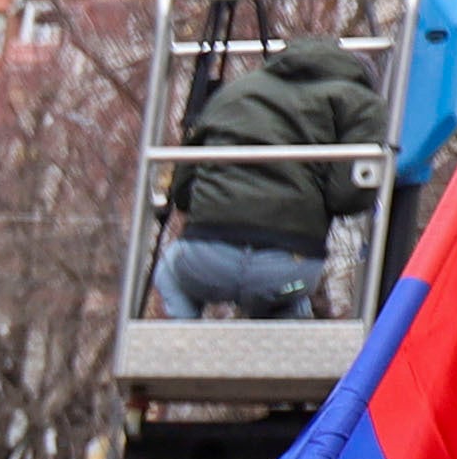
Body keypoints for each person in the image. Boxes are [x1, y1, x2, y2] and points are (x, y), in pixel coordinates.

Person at [152, 35, 376, 317]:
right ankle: (288, 350)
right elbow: (349, 196)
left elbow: (182, 192)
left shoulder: (235, 91)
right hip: (290, 269)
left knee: (169, 274)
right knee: (289, 296)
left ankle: (183, 344)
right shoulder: (361, 102)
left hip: (207, 260)